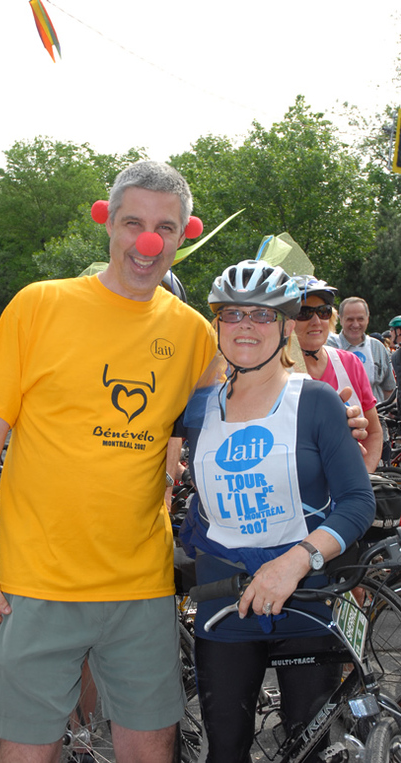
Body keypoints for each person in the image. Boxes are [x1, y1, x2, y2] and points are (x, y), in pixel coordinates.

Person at [0, 160, 218, 763]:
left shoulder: (195, 334)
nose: (147, 242)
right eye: (133, 223)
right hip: (34, 585)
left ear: (185, 233)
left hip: (141, 589)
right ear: (108, 224)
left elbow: (249, 402)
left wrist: (331, 417)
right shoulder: (39, 306)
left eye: (165, 228)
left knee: (152, 750)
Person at [179, 259, 375, 763]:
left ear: (286, 326)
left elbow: (357, 502)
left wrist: (294, 562)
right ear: (218, 324)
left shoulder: (317, 401)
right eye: (233, 313)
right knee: (225, 750)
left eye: (263, 315)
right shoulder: (196, 407)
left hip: (307, 598)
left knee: (308, 750)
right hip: (224, 604)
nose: (246, 324)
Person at [293, 275, 382, 473]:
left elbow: (374, 432)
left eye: (323, 312)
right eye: (304, 313)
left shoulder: (349, 363)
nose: (316, 321)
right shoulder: (275, 369)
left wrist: (362, 482)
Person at [326, 297, 395, 404]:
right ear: (341, 319)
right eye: (350, 319)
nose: (356, 324)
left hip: (376, 415)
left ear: (367, 319)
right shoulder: (328, 346)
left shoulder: (377, 347)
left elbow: (389, 389)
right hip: (340, 416)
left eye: (360, 319)